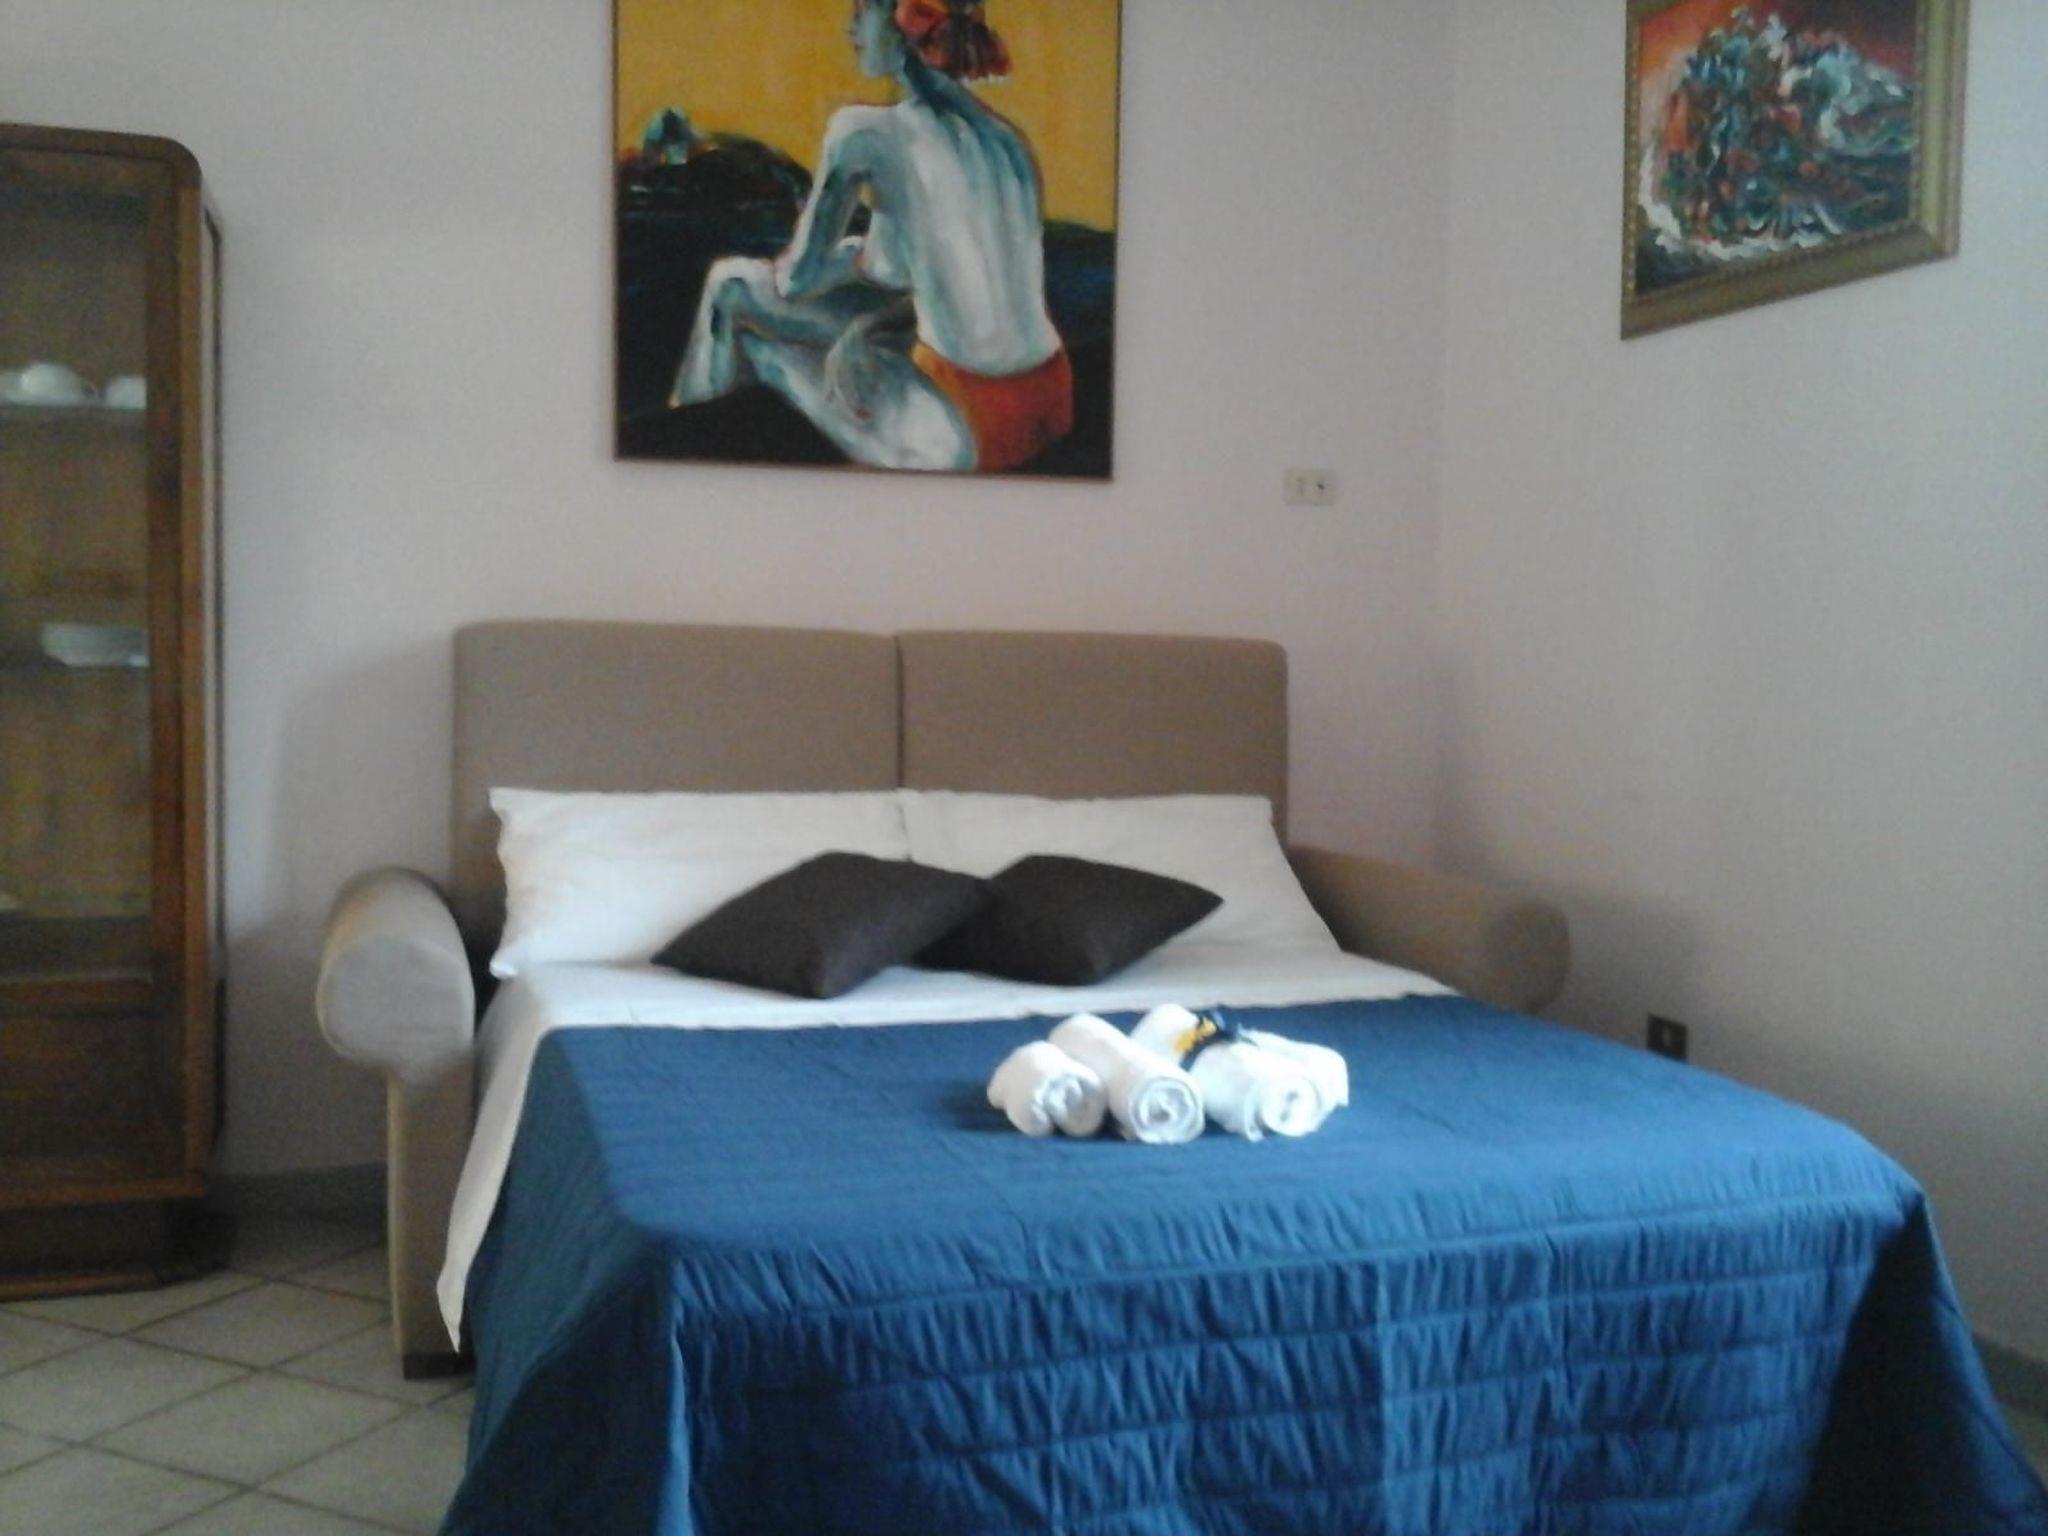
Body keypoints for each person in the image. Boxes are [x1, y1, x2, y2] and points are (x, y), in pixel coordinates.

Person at [670, 0, 1072, 473]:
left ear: (902, 26)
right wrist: (864, 316)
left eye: (862, 10)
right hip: (1051, 396)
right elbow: (907, 273)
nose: (851, 28)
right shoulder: (1008, 143)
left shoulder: (863, 132)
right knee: (846, 340)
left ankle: (686, 462)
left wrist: (832, 259)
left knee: (731, 290)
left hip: (961, 423)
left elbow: (795, 282)